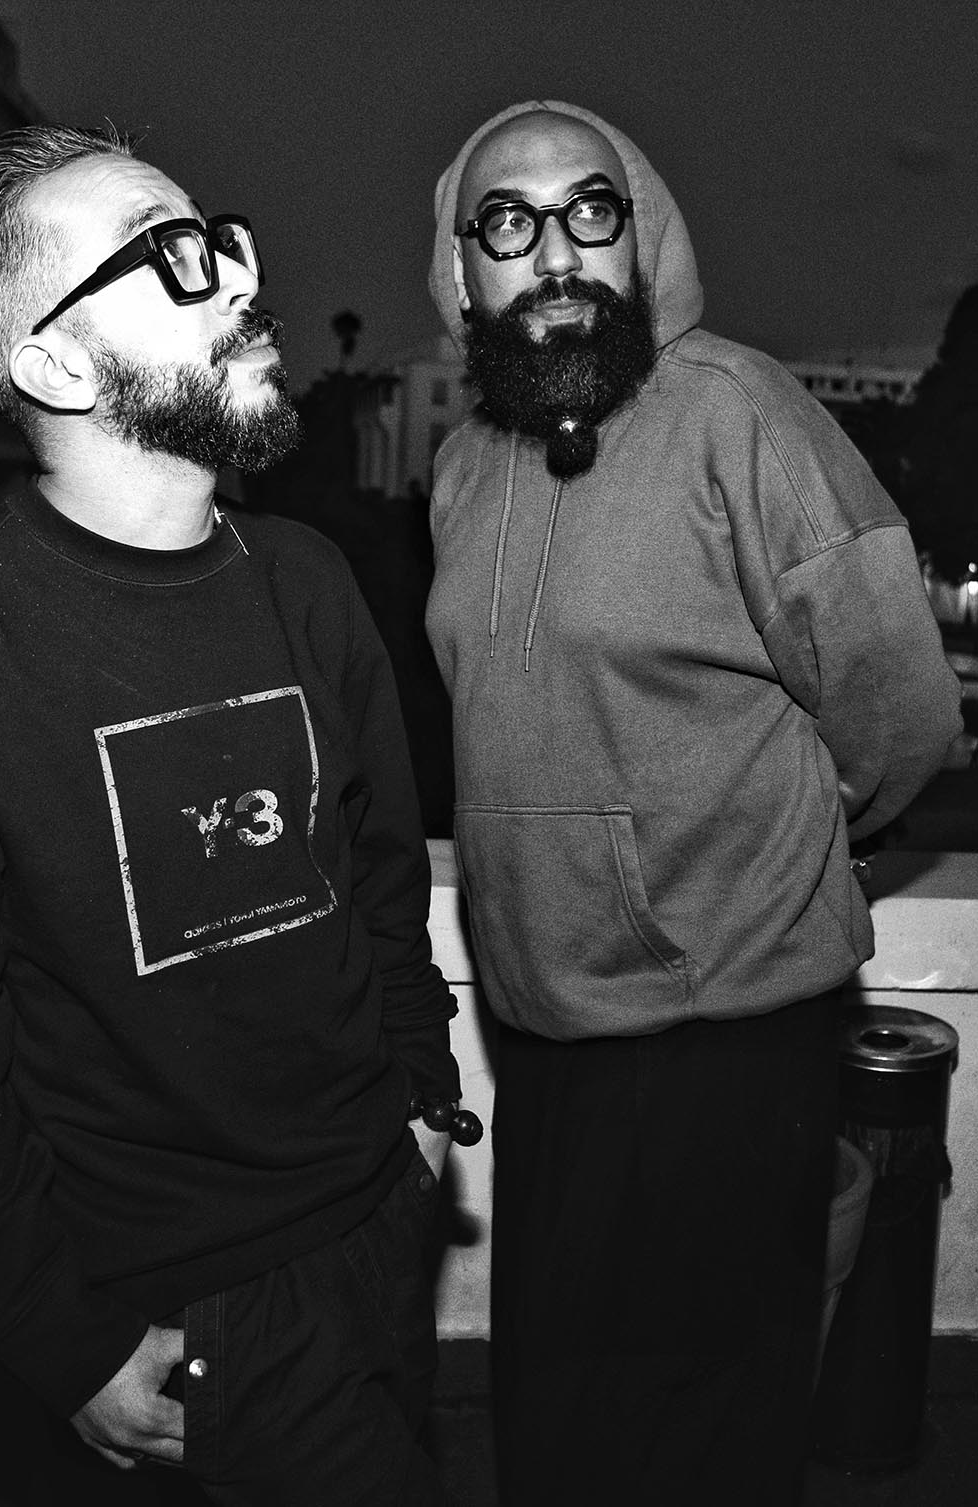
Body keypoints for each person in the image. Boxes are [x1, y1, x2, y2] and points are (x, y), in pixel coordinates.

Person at [0, 122, 472, 1506]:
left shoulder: (309, 579)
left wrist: (422, 1096)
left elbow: (381, 878)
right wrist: (58, 1336)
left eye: (222, 238)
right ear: (57, 367)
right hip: (172, 1298)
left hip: (376, 1220)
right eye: (171, 254)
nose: (240, 278)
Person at [425, 99, 962, 1506]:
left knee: (708, 1434)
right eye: (508, 221)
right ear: (461, 266)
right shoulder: (463, 465)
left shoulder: (741, 413)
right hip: (549, 1030)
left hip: (729, 1032)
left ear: (643, 237)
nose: (554, 252)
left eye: (589, 211)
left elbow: (899, 715)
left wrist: (756, 855)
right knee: (560, 1416)